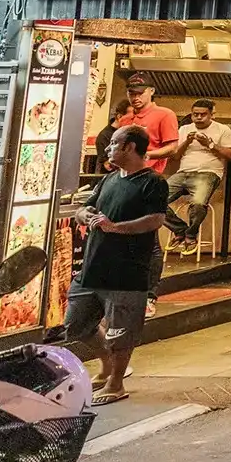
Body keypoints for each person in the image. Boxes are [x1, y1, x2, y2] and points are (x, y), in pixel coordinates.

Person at [61, 126, 166, 405]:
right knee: (76, 324)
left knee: (122, 331)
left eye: (114, 144)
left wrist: (116, 227)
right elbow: (85, 208)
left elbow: (155, 219)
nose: (108, 149)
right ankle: (106, 365)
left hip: (127, 271)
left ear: (130, 147)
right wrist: (85, 215)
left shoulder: (153, 182)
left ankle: (116, 382)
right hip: (93, 266)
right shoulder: (109, 179)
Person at [161, 99, 231, 256]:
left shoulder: (222, 130)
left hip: (208, 173)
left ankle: (191, 236)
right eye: (195, 114)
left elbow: (230, 154)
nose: (199, 117)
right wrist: (187, 141)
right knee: (153, 199)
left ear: (211, 115)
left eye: (203, 114)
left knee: (199, 203)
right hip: (183, 172)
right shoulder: (185, 129)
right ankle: (180, 230)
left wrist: (210, 144)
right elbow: (175, 156)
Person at [118, 80, 180, 169]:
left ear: (152, 91)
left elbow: (172, 148)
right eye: (132, 94)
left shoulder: (165, 114)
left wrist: (143, 156)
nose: (136, 97)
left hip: (150, 173)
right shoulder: (124, 119)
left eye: (140, 93)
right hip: (125, 171)